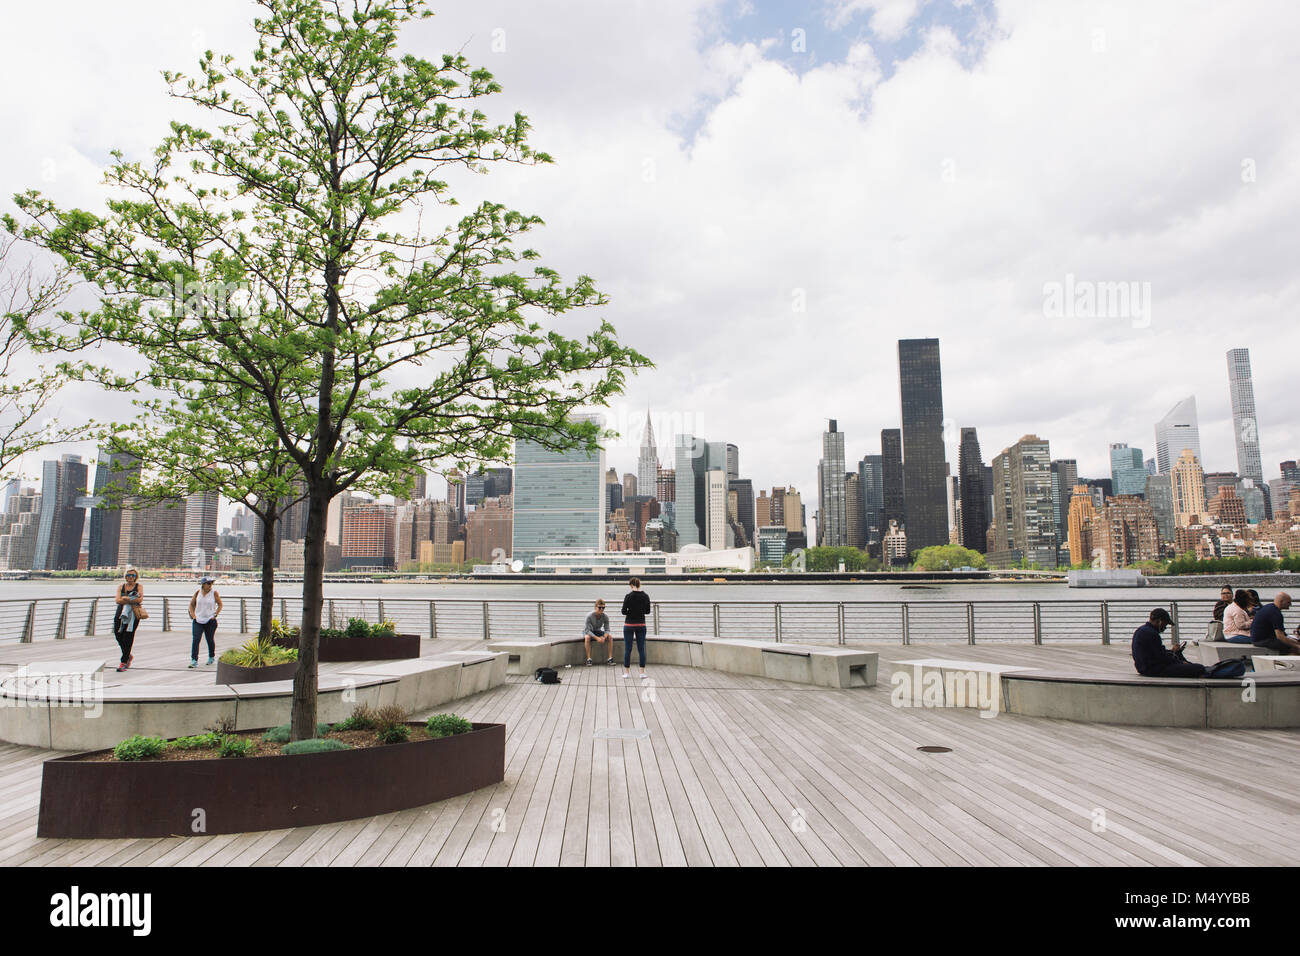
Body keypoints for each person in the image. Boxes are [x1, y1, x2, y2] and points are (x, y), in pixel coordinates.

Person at [1132, 608, 1207, 677]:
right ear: (1160, 621)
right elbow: (1161, 657)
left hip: (1145, 667)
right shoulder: (1151, 634)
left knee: (1190, 665)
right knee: (1198, 668)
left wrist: (1172, 652)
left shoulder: (1142, 630)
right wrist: (1180, 662)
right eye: (1165, 624)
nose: (1165, 627)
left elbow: (1156, 653)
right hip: (1152, 669)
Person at [112, 568, 144, 672]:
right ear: (125, 576)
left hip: (133, 615)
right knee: (118, 634)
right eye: (128, 575)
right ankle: (127, 655)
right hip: (120, 613)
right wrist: (130, 599)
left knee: (128, 637)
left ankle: (124, 661)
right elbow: (117, 600)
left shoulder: (139, 586)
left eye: (133, 575)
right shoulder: (121, 586)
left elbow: (140, 599)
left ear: (136, 577)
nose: (130, 577)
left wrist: (125, 598)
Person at [187, 575, 223, 668]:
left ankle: (211, 657)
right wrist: (193, 615)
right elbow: (191, 605)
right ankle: (194, 660)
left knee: (210, 639)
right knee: (196, 640)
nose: (210, 585)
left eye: (211, 583)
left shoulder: (214, 593)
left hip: (210, 620)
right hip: (198, 620)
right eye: (208, 583)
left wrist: (215, 615)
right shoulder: (198, 592)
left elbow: (220, 604)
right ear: (203, 584)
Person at [620, 576, 651, 681]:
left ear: (631, 585)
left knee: (628, 649)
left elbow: (623, 611)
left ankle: (626, 672)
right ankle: (642, 672)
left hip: (629, 625)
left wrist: (631, 612)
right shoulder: (646, 596)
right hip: (641, 624)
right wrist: (639, 611)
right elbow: (648, 611)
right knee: (641, 649)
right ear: (639, 584)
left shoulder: (628, 596)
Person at [582, 599, 614, 666]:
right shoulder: (589, 616)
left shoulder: (605, 617)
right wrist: (597, 638)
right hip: (588, 631)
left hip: (597, 631)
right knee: (587, 637)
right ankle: (589, 659)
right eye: (600, 607)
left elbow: (607, 629)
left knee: (610, 637)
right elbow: (587, 630)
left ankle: (610, 659)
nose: (601, 609)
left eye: (603, 608)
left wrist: (604, 637)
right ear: (595, 607)